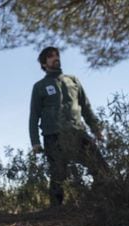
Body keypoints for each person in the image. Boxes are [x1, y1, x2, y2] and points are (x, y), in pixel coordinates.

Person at [29, 46, 108, 208]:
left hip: (77, 132)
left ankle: (96, 201)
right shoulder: (40, 86)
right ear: (44, 64)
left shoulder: (73, 80)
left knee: (101, 168)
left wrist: (96, 129)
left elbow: (86, 107)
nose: (55, 58)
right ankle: (56, 212)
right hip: (53, 135)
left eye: (57, 55)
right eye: (50, 56)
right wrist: (35, 142)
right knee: (59, 175)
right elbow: (34, 115)